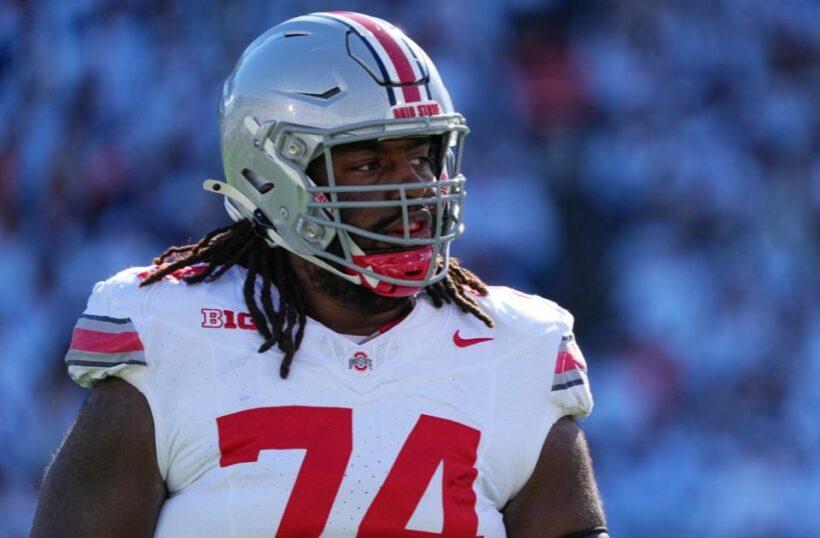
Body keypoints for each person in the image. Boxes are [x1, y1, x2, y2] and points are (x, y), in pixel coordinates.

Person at [31, 11, 607, 538]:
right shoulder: (170, 332)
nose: (417, 192)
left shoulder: (517, 348)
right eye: (369, 162)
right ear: (271, 175)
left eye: (425, 157)